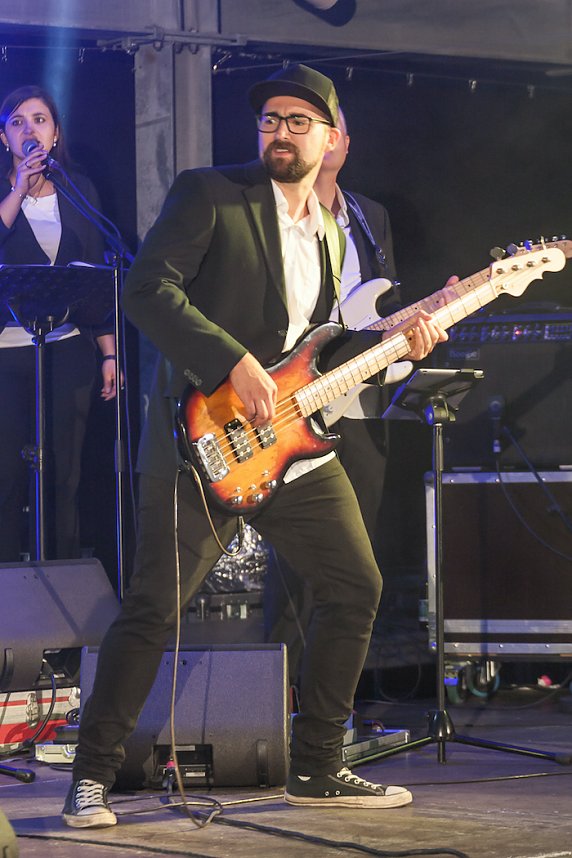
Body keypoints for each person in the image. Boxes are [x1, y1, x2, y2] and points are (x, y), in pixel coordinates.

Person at [63, 64, 447, 828]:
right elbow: (146, 289)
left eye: (298, 121)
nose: (279, 131)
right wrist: (229, 361)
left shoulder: (338, 237)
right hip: (202, 439)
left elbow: (328, 352)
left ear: (332, 139)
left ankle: (317, 765)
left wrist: (408, 347)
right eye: (271, 119)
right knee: (153, 609)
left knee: (356, 586)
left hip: (296, 446)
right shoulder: (212, 194)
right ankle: (91, 778)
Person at [0, 85, 118, 562]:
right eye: (18, 122)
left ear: (55, 133)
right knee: (7, 476)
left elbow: (94, 274)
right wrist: (17, 193)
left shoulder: (79, 189)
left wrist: (109, 351)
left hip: (67, 348)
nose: (30, 129)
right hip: (6, 353)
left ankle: (61, 587)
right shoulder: (5, 191)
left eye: (40, 119)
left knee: (63, 476)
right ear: (4, 137)